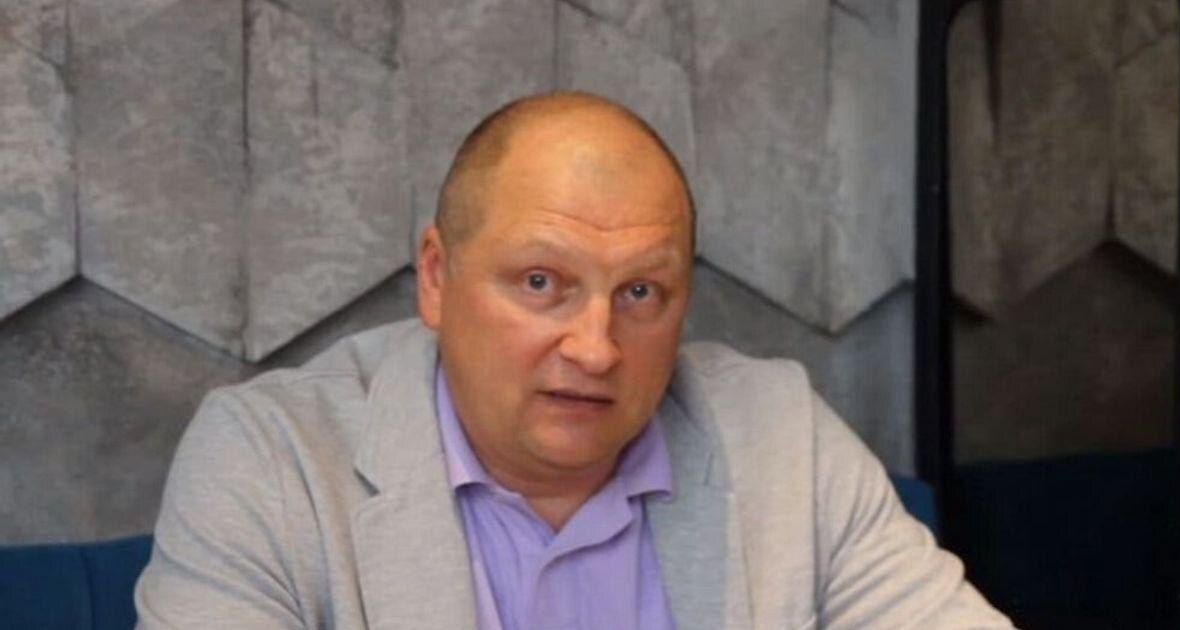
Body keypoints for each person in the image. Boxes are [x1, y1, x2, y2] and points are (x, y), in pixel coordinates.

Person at [134, 91, 1012, 629]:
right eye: (541, 282)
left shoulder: (780, 435)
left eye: (641, 293)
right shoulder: (271, 460)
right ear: (436, 277)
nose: (595, 348)